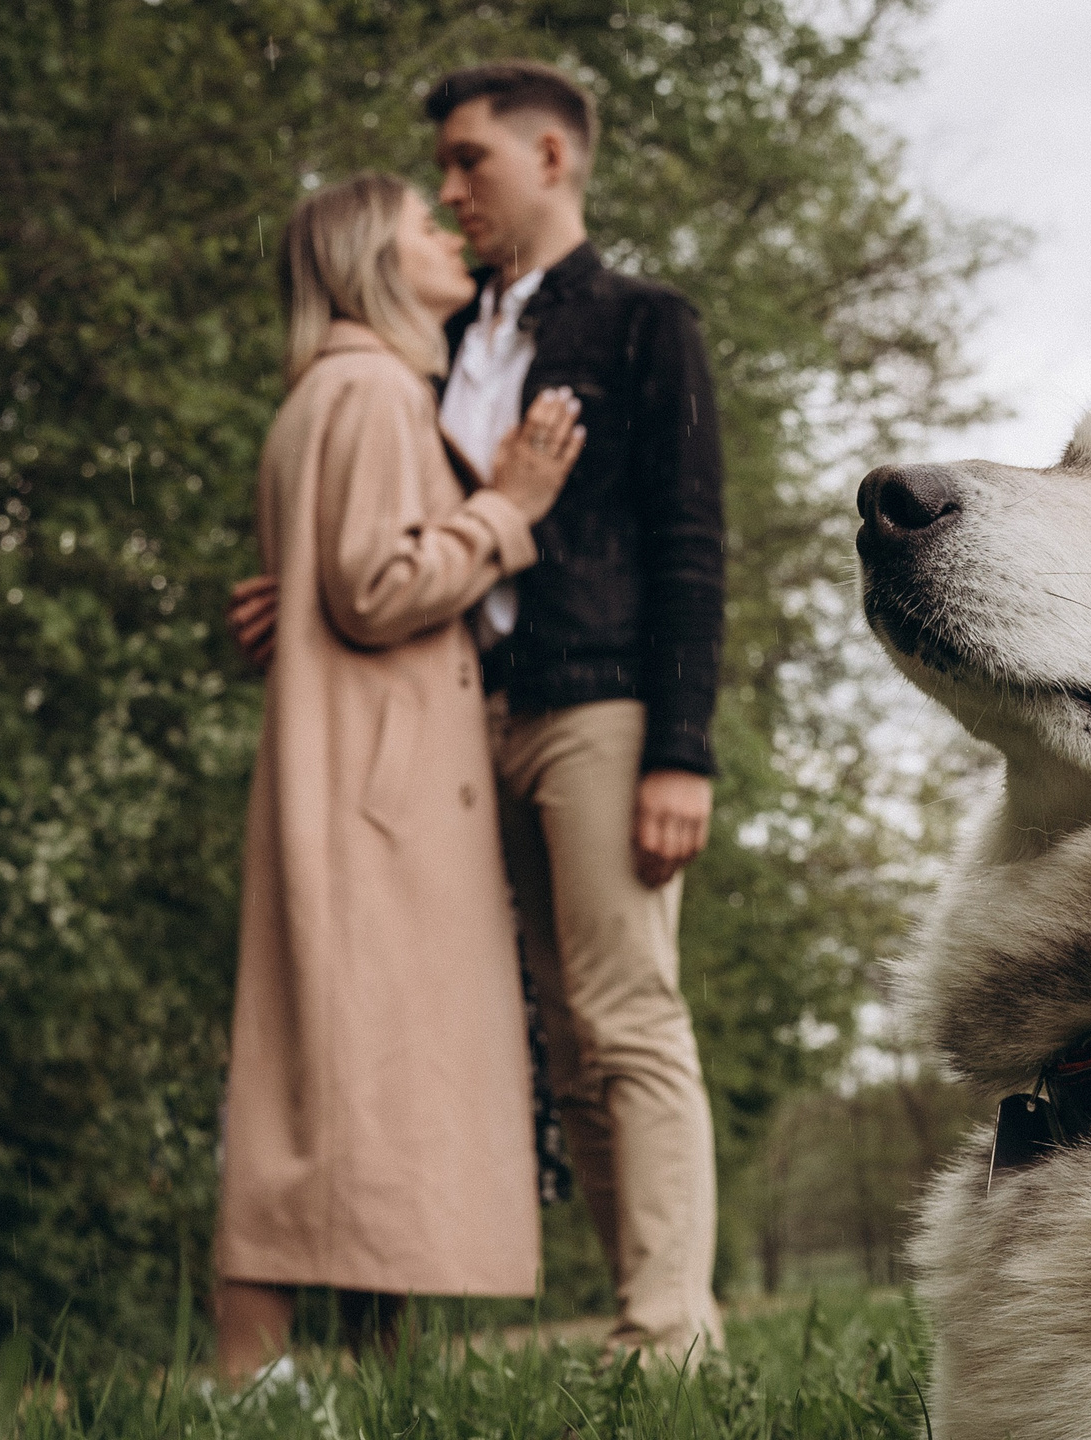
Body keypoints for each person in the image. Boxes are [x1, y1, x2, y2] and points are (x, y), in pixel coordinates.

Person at [229, 60, 730, 1359]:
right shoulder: (431, 342)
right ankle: (628, 1316)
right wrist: (303, 597)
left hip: (599, 707)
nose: (452, 196)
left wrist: (682, 750)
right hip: (460, 727)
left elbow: (688, 544)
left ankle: (668, 1332)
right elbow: (391, 538)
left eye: (470, 164)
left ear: (553, 159)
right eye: (440, 176)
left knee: (628, 1016)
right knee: (559, 1046)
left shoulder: (641, 321)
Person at [211, 170, 587, 1386]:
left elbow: (327, 589)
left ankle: (368, 1381)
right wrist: (507, 508)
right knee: (347, 1068)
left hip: (353, 777)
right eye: (422, 226)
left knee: (349, 1069)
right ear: (371, 257)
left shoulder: (333, 392)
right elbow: (374, 590)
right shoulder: (372, 388)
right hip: (382, 796)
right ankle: (247, 1378)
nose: (445, 235)